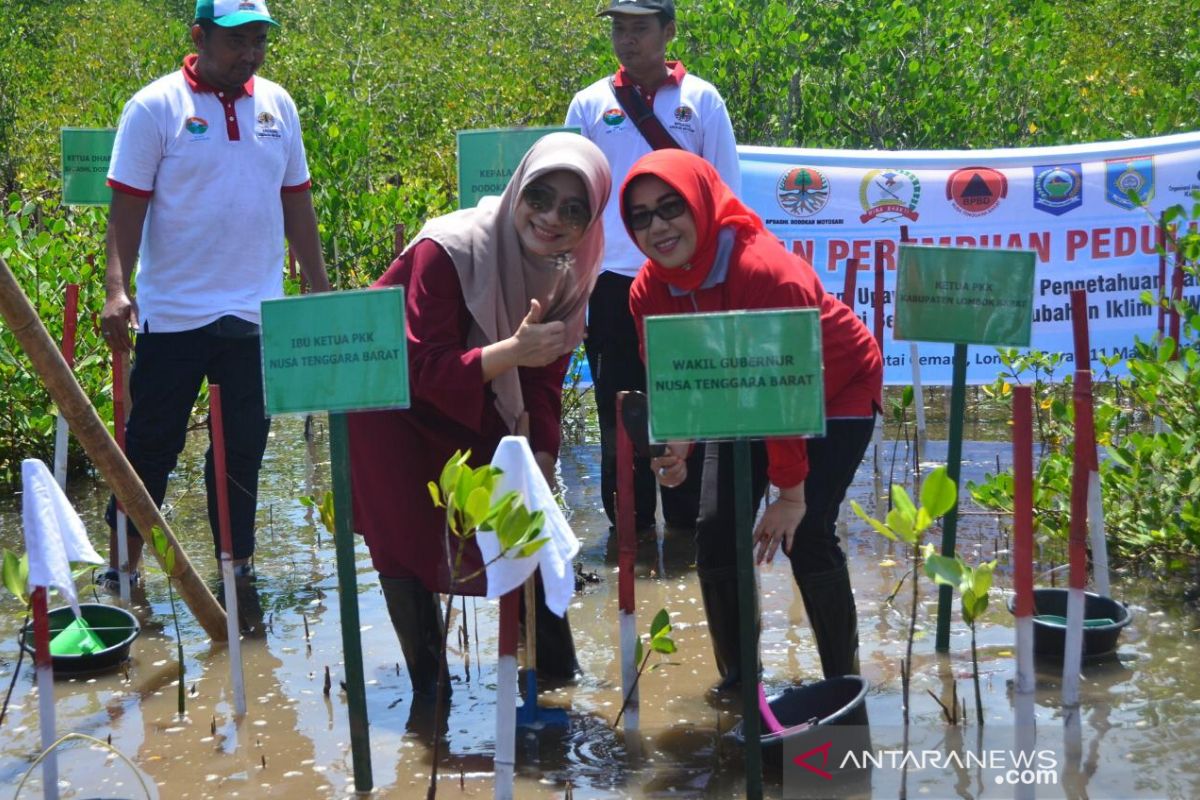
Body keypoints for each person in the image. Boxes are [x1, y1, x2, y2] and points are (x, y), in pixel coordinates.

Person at [346, 133, 611, 700]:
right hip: (391, 410)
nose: (551, 219)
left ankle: (556, 683)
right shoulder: (447, 249)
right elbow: (421, 366)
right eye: (539, 196)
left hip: (485, 395)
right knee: (405, 537)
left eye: (573, 209)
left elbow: (543, 381)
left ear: (591, 220)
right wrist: (511, 353)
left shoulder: (573, 270)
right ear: (517, 189)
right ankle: (429, 694)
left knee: (527, 532)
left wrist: (538, 455)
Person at [621, 150, 882, 689]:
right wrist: (675, 451)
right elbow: (678, 382)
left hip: (834, 386)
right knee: (716, 530)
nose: (658, 227)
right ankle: (741, 683)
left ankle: (843, 683)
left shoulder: (766, 273)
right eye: (641, 216)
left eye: (671, 208)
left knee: (807, 530)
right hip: (737, 392)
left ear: (700, 203)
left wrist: (790, 494)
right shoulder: (646, 290)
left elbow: (784, 393)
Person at [98, 0, 331, 589]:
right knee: (150, 448)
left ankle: (236, 575)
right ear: (199, 35)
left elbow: (296, 201)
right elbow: (127, 207)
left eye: (259, 41)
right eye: (236, 42)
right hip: (174, 315)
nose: (249, 54)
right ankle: (122, 574)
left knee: (241, 455)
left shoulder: (278, 104)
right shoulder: (155, 106)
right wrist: (115, 290)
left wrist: (321, 289)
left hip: (254, 315)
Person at [566, 0, 740, 530]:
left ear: (668, 32)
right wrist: (574, 295)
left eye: (639, 28)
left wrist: (721, 292)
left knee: (691, 410)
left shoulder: (702, 100)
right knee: (621, 417)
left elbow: (726, 197)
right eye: (619, 29)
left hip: (687, 286)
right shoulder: (590, 104)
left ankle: (690, 540)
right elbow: (575, 206)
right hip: (613, 286)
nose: (627, 39)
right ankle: (631, 538)